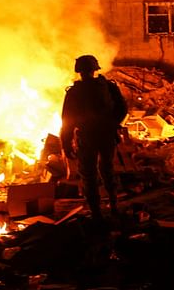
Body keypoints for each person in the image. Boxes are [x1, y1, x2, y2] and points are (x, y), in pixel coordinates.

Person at [60, 54, 127, 221]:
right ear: (95, 69)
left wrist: (66, 144)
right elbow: (122, 108)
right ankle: (113, 206)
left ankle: (96, 212)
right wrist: (113, 124)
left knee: (88, 175)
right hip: (106, 135)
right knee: (107, 170)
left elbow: (67, 120)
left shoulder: (74, 92)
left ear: (79, 71)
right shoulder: (109, 87)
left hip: (87, 137)